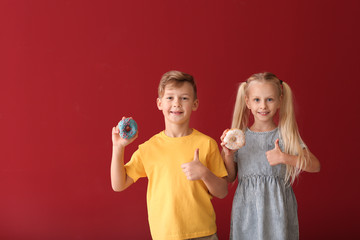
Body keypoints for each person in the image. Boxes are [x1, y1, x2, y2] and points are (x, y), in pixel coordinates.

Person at [111, 70, 228, 240]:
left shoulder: (207, 144)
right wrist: (118, 148)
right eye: (170, 97)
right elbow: (118, 185)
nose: (177, 103)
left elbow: (222, 191)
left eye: (184, 98)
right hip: (165, 235)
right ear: (159, 103)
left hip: (203, 233)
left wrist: (204, 173)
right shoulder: (148, 148)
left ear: (194, 104)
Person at [220, 72, 321, 240]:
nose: (263, 106)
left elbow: (315, 165)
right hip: (247, 211)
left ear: (280, 100)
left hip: (278, 212)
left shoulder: (286, 135)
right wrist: (228, 155)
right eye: (257, 100)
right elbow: (230, 177)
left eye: (270, 99)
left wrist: (285, 158)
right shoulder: (239, 137)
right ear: (248, 102)